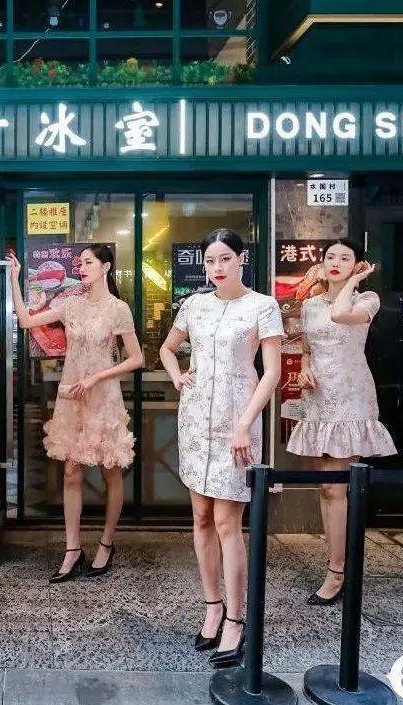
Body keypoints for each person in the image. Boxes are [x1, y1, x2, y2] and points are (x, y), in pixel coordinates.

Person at [159, 228, 283, 669]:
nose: (217, 268)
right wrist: (177, 376)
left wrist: (245, 424)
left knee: (228, 522)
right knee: (200, 517)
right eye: (210, 260)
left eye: (225, 258)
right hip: (195, 421)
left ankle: (236, 618)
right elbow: (167, 349)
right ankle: (212, 606)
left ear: (241, 259)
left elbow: (272, 373)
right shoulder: (194, 305)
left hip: (238, 423)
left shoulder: (263, 306)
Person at [7, 245, 143, 583]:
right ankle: (72, 549)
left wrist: (97, 377)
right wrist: (15, 278)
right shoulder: (71, 304)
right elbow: (26, 321)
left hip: (103, 396)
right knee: (70, 472)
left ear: (105, 267)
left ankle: (106, 544)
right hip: (72, 395)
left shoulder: (118, 309)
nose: (81, 267)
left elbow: (136, 358)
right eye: (79, 263)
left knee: (111, 472)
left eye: (88, 262)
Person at [286, 238, 396, 605]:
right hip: (319, 398)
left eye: (345, 258)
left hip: (349, 397)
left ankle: (337, 573)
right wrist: (303, 370)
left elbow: (341, 315)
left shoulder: (367, 300)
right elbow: (306, 349)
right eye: (330, 256)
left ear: (358, 265)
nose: (335, 262)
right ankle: (337, 565)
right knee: (326, 487)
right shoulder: (310, 305)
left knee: (336, 488)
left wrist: (353, 282)